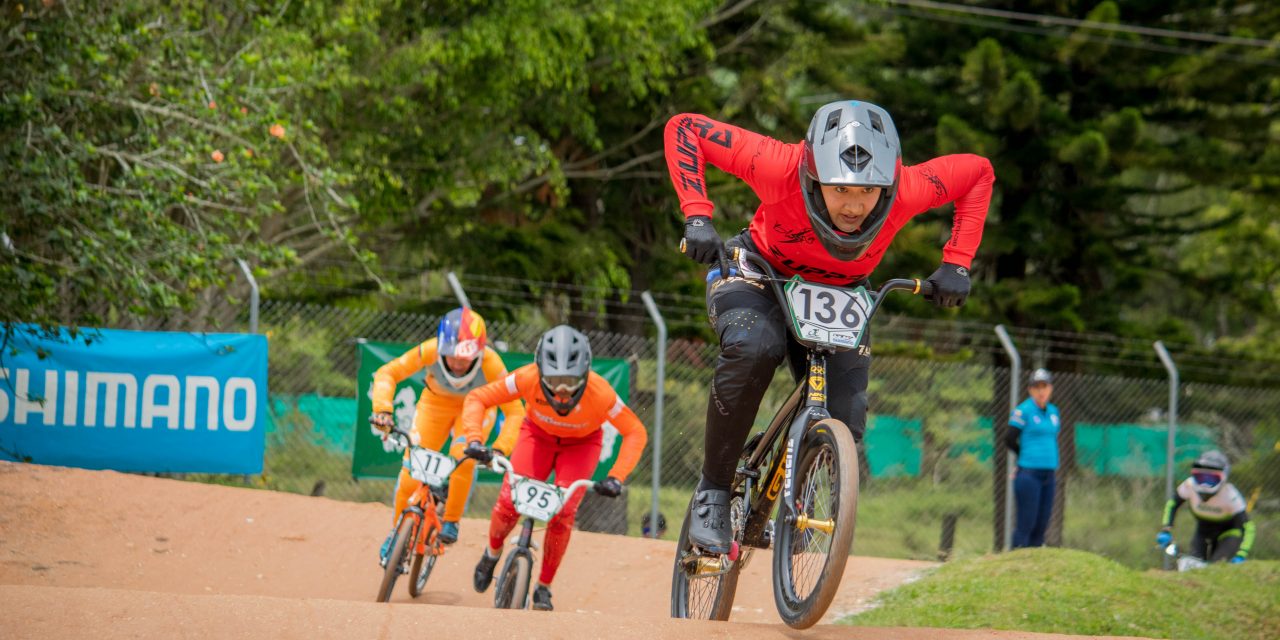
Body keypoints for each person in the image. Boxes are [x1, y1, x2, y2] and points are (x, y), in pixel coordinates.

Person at [664, 100, 995, 552]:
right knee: (754, 347)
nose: (854, 206)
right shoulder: (777, 164)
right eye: (839, 189)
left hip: (842, 293)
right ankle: (713, 492)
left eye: (869, 191)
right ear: (813, 175)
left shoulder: (910, 188)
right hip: (760, 273)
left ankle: (794, 497)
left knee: (847, 417)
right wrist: (697, 214)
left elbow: (978, 172)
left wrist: (957, 261)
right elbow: (685, 127)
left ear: (890, 183)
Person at [461, 325, 648, 611]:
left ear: (585, 374)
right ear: (540, 372)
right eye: (554, 380)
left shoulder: (601, 393)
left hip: (582, 445)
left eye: (570, 381)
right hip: (537, 435)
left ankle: (544, 586)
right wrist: (474, 439)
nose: (562, 390)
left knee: (562, 514)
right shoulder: (526, 378)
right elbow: (478, 398)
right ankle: (492, 552)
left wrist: (616, 476)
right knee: (509, 501)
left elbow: (635, 431)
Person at [368, 307, 525, 562]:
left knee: (463, 456)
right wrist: (383, 410)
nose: (457, 363)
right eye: (450, 356)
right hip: (435, 403)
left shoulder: (492, 363)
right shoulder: (429, 349)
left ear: (480, 352)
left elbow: (516, 411)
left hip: (476, 409)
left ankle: (451, 519)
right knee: (411, 469)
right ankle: (397, 532)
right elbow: (388, 372)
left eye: (465, 357)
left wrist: (500, 448)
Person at [1156, 450, 1255, 564]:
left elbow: (1248, 527)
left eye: (1211, 478)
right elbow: (1172, 504)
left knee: (1218, 565)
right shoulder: (1188, 486)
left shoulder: (1231, 496)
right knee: (1192, 564)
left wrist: (1241, 554)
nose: (1205, 483)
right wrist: (1166, 529)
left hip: (1228, 533)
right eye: (1201, 477)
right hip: (1202, 531)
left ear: (1223, 476)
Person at [1006, 368, 1060, 548]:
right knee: (1026, 523)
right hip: (1029, 474)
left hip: (1049, 474)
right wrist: (1023, 459)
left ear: (1050, 388)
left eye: (1044, 386)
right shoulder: (1024, 411)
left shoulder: (1053, 412)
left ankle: (1034, 568)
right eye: (1037, 387)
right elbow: (1009, 438)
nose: (1041, 391)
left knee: (1041, 525)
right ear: (1030, 390)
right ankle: (1016, 562)